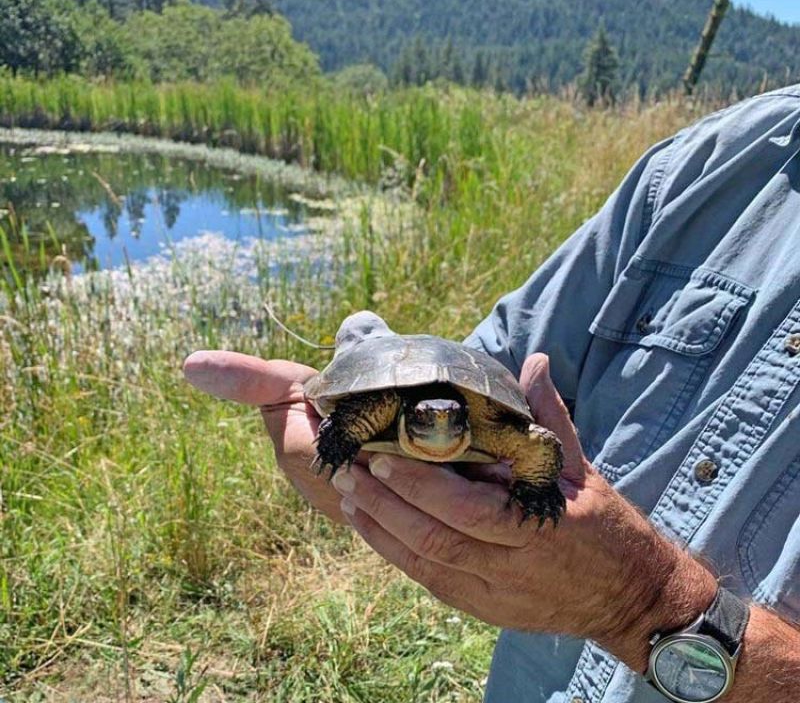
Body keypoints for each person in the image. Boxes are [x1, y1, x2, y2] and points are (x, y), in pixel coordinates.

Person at [184, 85, 800, 702]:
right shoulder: (717, 161)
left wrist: (643, 604)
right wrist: (339, 442)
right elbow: (486, 363)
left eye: (447, 419)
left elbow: (528, 444)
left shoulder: (489, 430)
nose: (440, 420)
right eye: (429, 418)